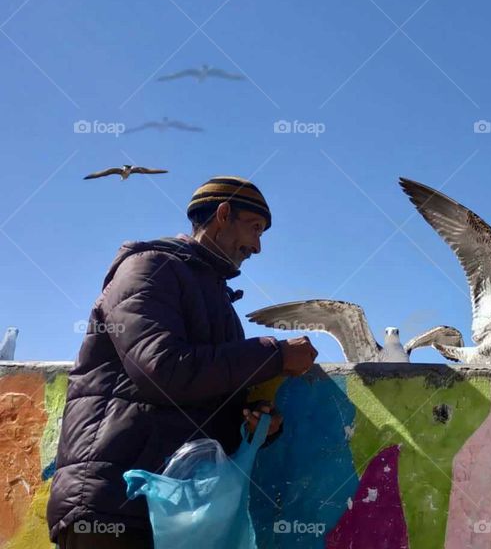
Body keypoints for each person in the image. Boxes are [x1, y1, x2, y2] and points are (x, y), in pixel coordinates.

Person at [47, 176, 318, 548]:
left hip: (174, 509)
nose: (257, 246)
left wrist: (253, 424)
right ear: (223, 214)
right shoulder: (149, 268)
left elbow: (200, 387)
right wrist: (275, 355)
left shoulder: (216, 297)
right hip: (114, 507)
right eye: (254, 229)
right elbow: (161, 370)